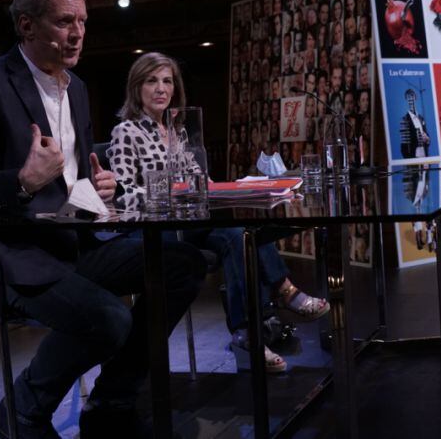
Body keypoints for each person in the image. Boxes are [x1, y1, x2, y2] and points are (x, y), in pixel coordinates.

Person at [0, 0, 206, 439]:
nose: (78, 32)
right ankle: (22, 411)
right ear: (27, 26)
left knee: (183, 262)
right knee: (109, 318)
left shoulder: (76, 87)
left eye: (83, 21)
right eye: (65, 22)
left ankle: (113, 396)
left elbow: (69, 181)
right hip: (7, 254)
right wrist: (20, 182)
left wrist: (97, 185)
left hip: (68, 240)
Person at [107, 52, 330, 374]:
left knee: (240, 232)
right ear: (136, 87)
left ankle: (247, 333)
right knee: (235, 234)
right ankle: (283, 293)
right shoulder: (126, 132)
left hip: (192, 220)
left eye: (167, 81)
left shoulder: (178, 131)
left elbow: (201, 179)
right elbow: (123, 195)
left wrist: (222, 189)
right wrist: (172, 194)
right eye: (151, 81)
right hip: (155, 227)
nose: (160, 88)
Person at [399, 88, 431, 159]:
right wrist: (409, 159)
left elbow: (427, 138)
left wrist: (427, 139)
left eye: (412, 97)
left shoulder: (421, 118)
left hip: (424, 155)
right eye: (408, 98)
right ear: (406, 100)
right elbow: (404, 144)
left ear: (415, 98)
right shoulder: (405, 119)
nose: (410, 100)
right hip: (414, 157)